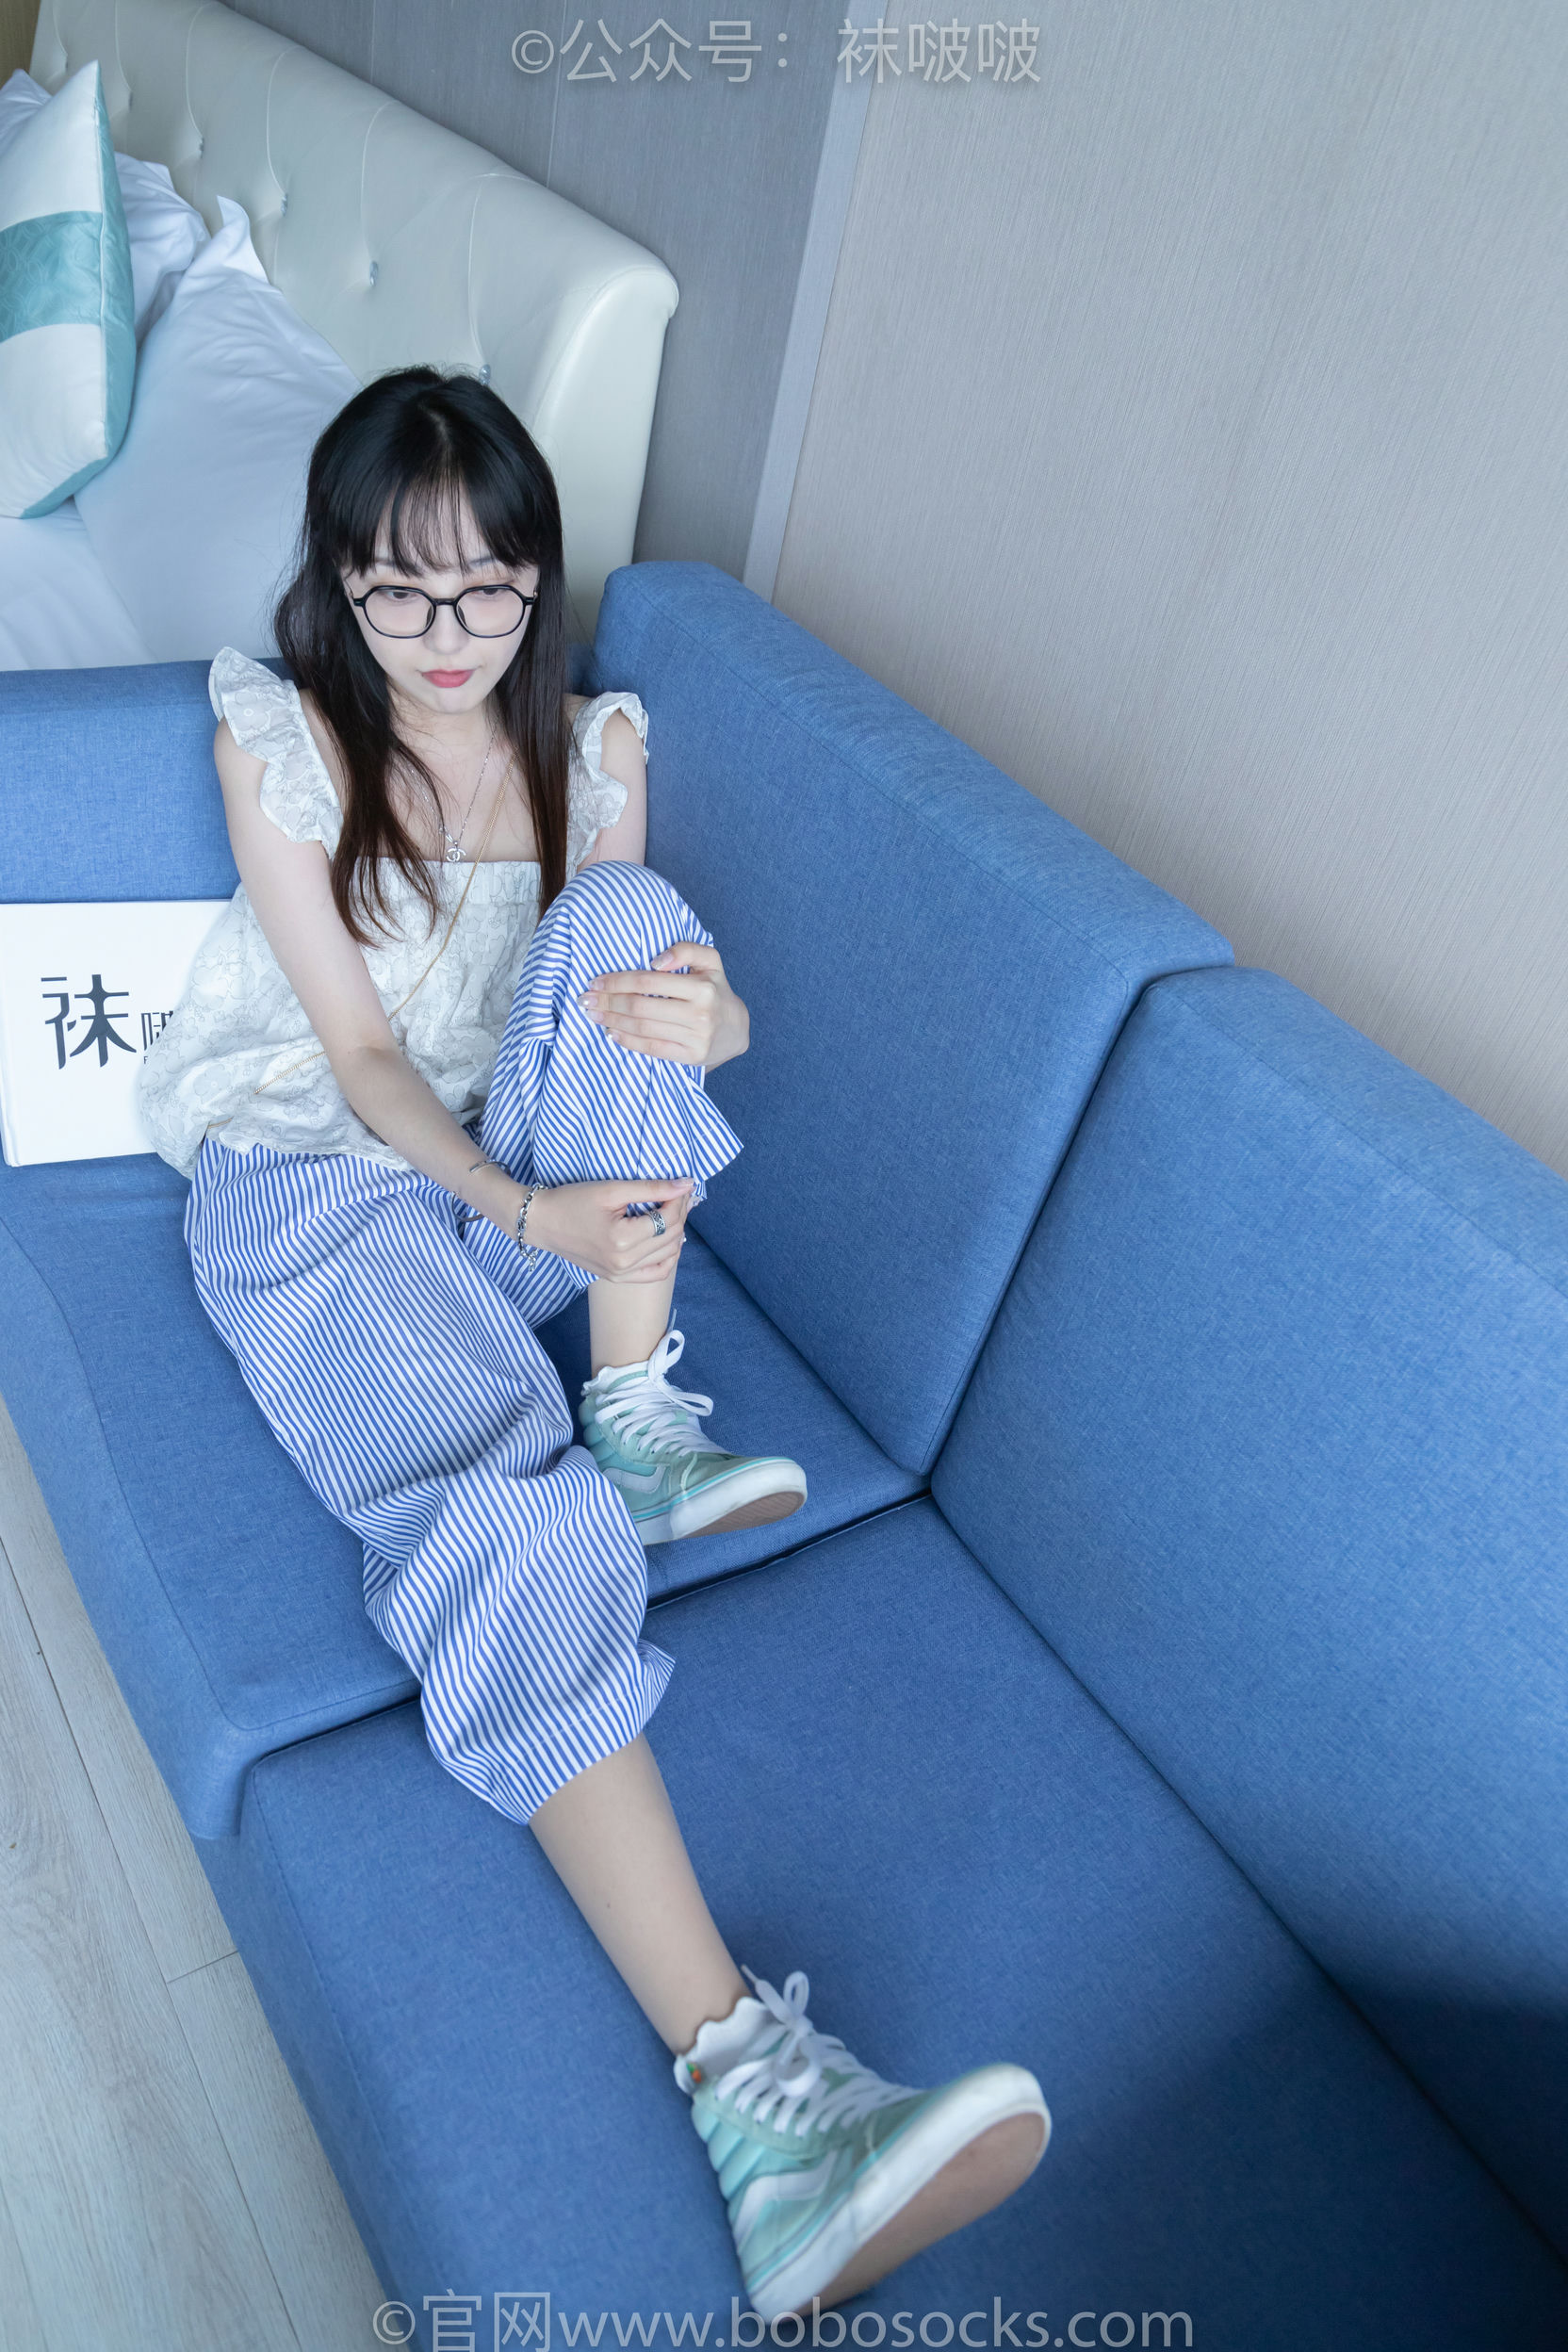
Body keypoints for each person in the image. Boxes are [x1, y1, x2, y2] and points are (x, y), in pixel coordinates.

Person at [138, 367, 1050, 2320]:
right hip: (324, 1190)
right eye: (398, 589)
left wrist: (717, 1026)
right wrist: (524, 1210)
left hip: (525, 1211)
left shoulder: (590, 746)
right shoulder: (282, 748)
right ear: (338, 579)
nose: (447, 635)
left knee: (632, 920)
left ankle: (637, 1409)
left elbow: (632, 1003)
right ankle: (756, 2105)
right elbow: (362, 1056)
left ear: (539, 577)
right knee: (500, 1500)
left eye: (488, 588)